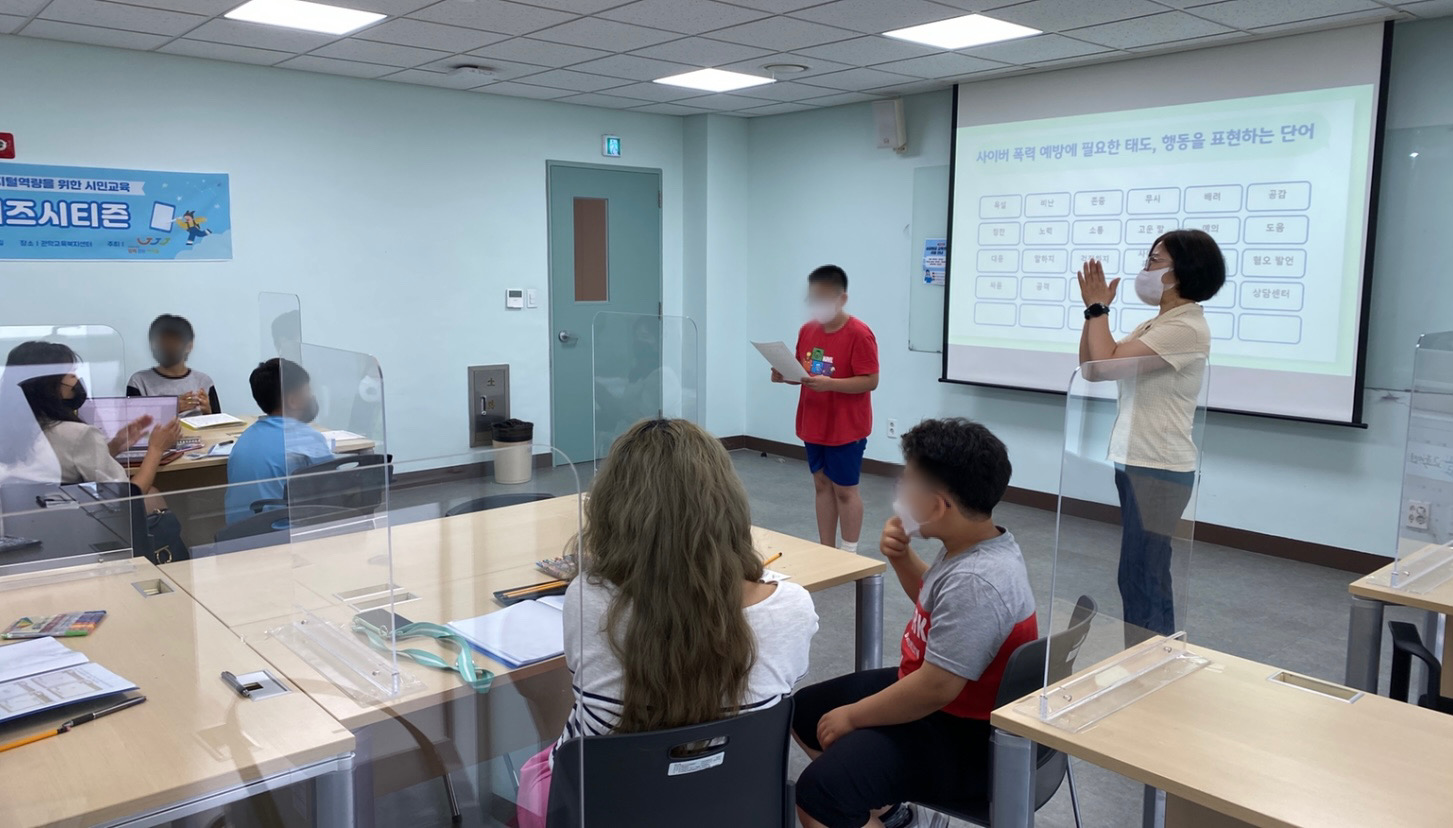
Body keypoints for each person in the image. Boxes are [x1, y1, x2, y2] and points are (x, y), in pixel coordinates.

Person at [516, 418, 819, 827]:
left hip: (601, 808)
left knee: (545, 744)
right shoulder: (792, 607)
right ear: (728, 506)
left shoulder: (587, 597)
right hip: (729, 805)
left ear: (612, 510)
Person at [792, 418, 1036, 828]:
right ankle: (891, 814)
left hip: (962, 734)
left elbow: (935, 688)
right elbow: (938, 605)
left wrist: (854, 716)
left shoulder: (977, 581)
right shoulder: (971, 545)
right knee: (806, 713)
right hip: (942, 698)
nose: (899, 494)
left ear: (937, 506)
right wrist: (902, 558)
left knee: (820, 796)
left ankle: (859, 804)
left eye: (906, 483)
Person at [1076, 229, 1225, 643]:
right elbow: (1093, 368)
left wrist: (1099, 308)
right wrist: (1092, 312)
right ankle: (1149, 657)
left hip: (1160, 466)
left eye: (1154, 261)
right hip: (1136, 459)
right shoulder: (1157, 323)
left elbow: (1105, 361)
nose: (1145, 269)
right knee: (1138, 572)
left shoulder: (1187, 328)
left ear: (1182, 272)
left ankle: (1155, 660)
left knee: (1144, 573)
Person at [771, 264, 879, 553]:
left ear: (842, 299)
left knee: (845, 489)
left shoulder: (859, 334)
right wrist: (785, 376)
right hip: (814, 422)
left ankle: (849, 553)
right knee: (821, 484)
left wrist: (831, 385)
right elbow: (803, 373)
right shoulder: (807, 331)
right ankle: (826, 551)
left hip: (846, 426)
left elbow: (870, 380)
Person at [0, 341, 179, 492]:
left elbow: (67, 464)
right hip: (76, 521)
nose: (76, 380)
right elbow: (127, 499)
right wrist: (156, 449)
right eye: (71, 374)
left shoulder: (9, 428)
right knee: (154, 496)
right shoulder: (77, 434)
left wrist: (113, 447)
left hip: (24, 520)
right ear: (50, 384)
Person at [224, 358, 331, 524]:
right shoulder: (307, 438)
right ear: (293, 401)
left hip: (240, 533)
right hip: (282, 534)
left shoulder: (247, 436)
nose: (312, 396)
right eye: (308, 391)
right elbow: (335, 488)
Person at [126, 314, 220, 417]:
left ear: (189, 346)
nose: (165, 346)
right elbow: (131, 424)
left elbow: (221, 423)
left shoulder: (203, 382)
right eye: (160, 341)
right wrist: (171, 409)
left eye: (172, 342)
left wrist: (208, 412)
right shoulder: (138, 382)